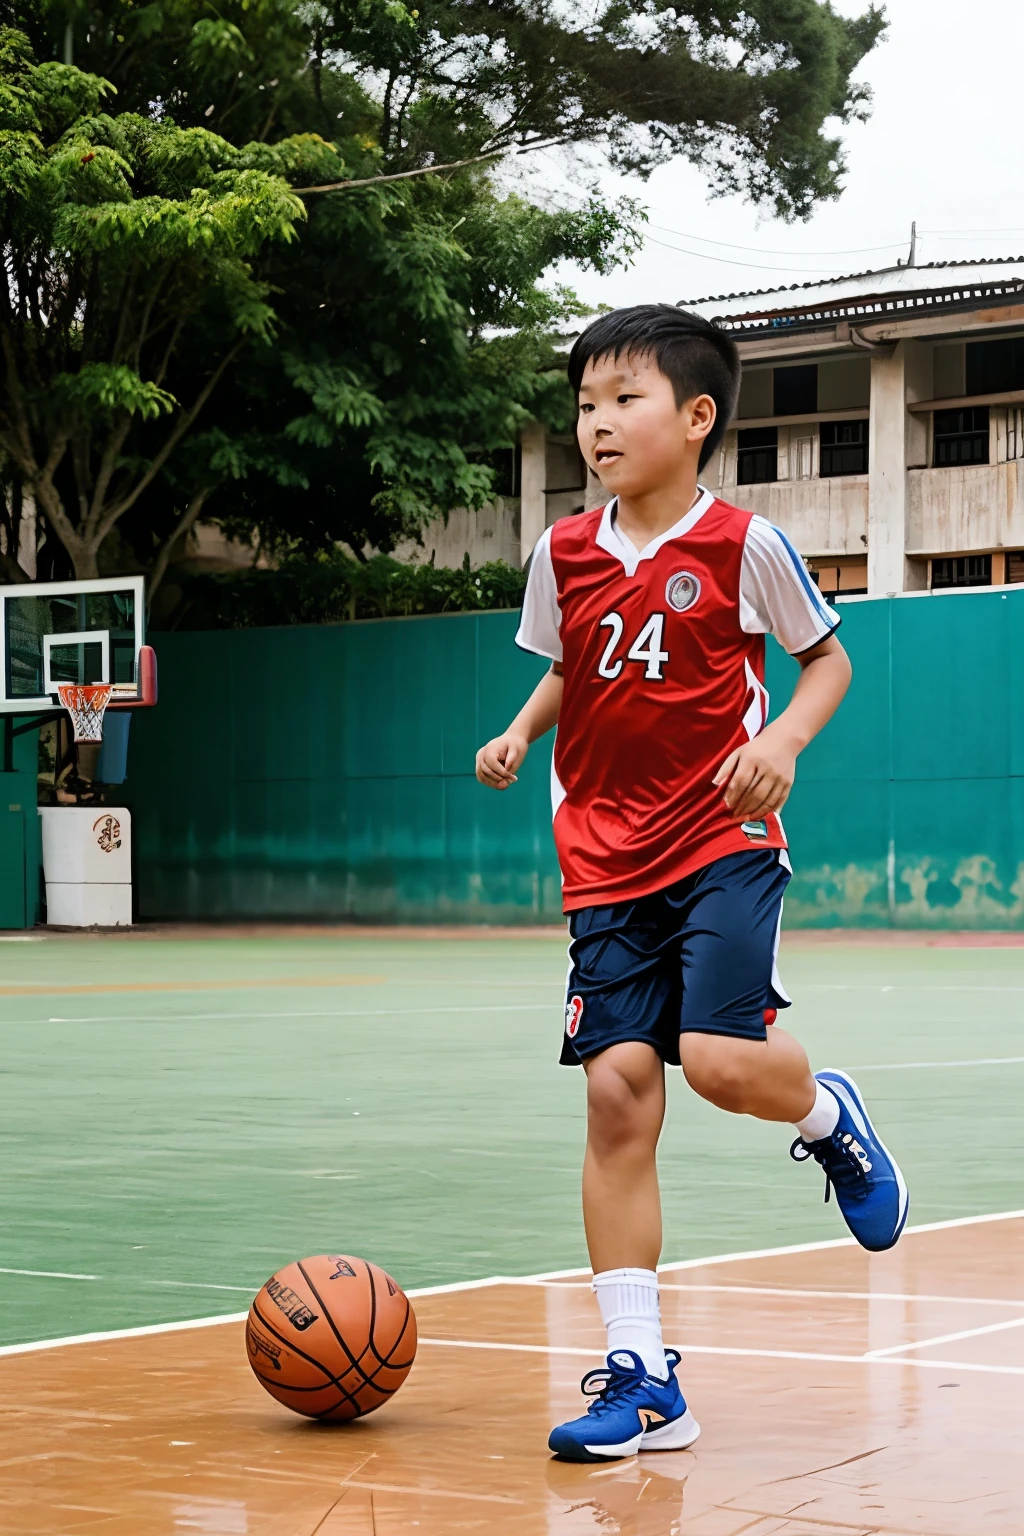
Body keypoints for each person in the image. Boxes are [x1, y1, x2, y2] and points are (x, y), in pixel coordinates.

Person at [475, 304, 908, 1464]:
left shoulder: (741, 546)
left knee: (715, 1062)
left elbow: (827, 660)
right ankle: (643, 1375)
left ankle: (828, 1117)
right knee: (617, 1091)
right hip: (601, 858)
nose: (598, 423)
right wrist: (519, 731)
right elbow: (576, 661)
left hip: (720, 838)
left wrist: (784, 746)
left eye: (625, 400)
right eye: (585, 404)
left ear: (696, 416)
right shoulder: (561, 552)